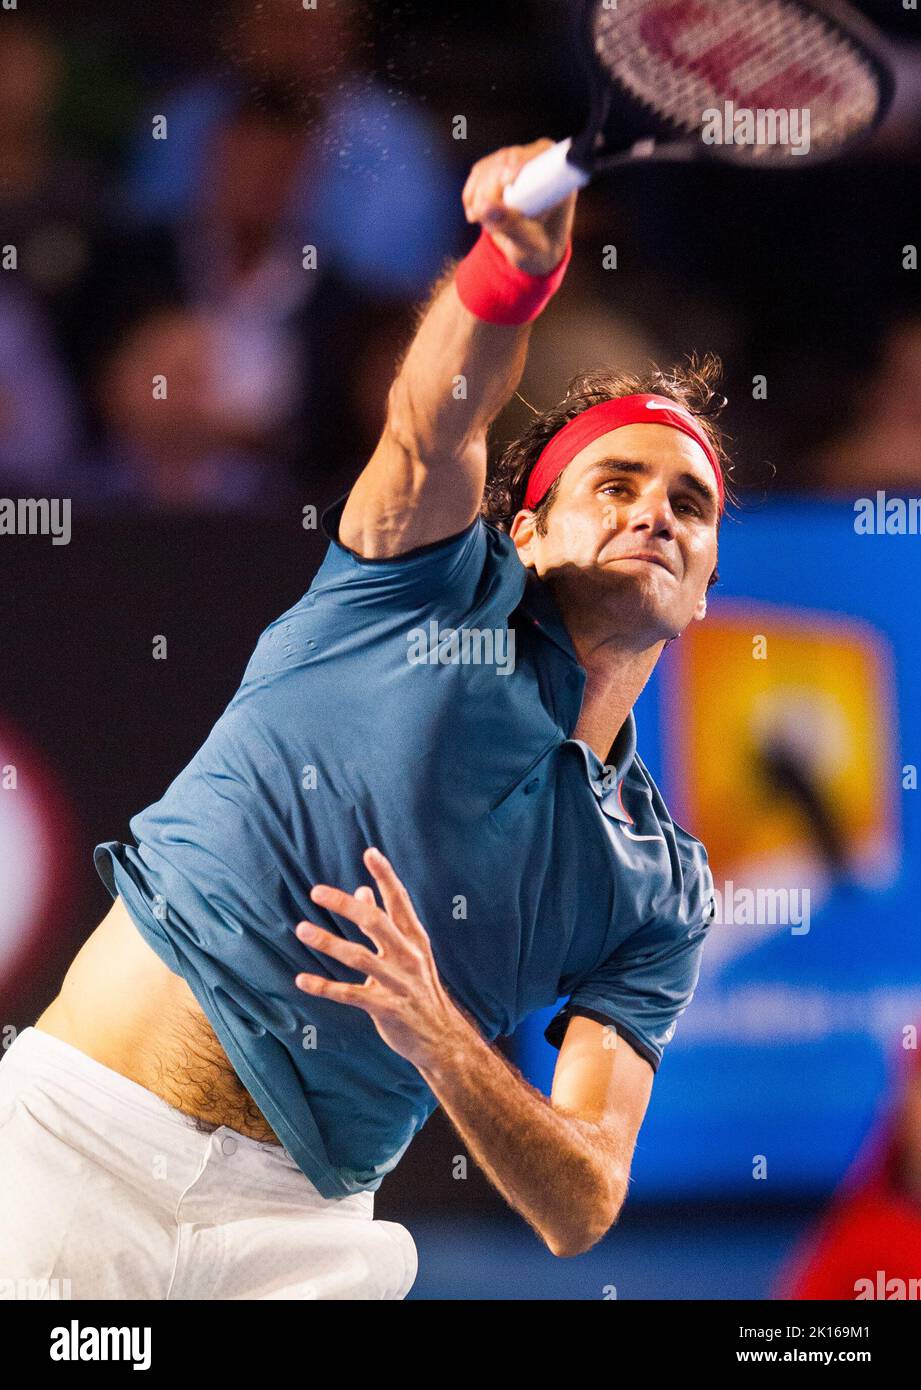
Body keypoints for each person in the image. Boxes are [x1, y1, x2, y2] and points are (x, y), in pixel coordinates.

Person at [0, 139, 722, 1300]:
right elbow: (434, 420)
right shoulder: (421, 585)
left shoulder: (658, 883)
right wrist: (512, 270)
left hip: (308, 1238)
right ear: (523, 534)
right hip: (74, 1162)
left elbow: (584, 1199)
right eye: (617, 483)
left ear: (704, 589)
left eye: (691, 503)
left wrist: (442, 1035)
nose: (656, 513)